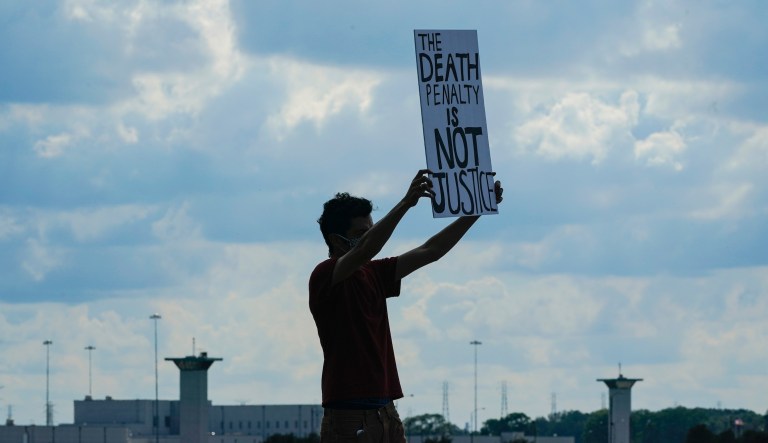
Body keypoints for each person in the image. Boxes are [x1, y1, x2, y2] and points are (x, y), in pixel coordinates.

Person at [309, 169, 503, 443]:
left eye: (371, 230)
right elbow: (365, 249)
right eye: (361, 233)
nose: (369, 237)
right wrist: (405, 204)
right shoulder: (325, 275)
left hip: (386, 411)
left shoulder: (374, 273)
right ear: (335, 239)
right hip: (348, 416)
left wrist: (478, 211)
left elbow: (431, 250)